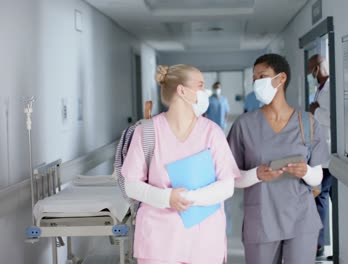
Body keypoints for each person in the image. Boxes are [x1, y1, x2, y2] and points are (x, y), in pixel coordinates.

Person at [121, 64, 240, 264]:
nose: (205, 92)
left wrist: (188, 198)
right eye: (200, 86)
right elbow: (131, 185)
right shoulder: (147, 132)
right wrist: (167, 197)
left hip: (204, 242)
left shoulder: (212, 132)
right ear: (182, 90)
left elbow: (227, 186)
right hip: (158, 242)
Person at [227, 54, 329, 264]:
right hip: (261, 220)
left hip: (301, 220)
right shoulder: (244, 125)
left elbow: (317, 177)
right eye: (254, 78)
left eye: (262, 76)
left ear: (281, 78)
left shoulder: (308, 123)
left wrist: (306, 171)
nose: (256, 83)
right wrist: (257, 174)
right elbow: (231, 178)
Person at [308, 54, 333, 257]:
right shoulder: (320, 87)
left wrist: (315, 111)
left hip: (331, 153)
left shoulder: (331, 87)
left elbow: (335, 118)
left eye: (312, 70)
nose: (311, 74)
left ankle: (320, 243)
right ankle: (320, 243)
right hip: (322, 153)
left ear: (318, 67)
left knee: (322, 197)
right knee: (322, 197)